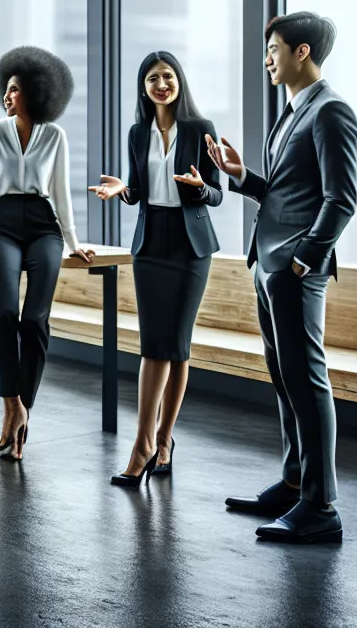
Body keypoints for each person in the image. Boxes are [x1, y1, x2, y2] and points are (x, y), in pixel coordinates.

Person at [206, 12, 357, 544]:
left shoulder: (331, 110)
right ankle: (295, 483)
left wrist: (304, 259)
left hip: (294, 268)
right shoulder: (294, 111)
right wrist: (242, 176)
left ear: (302, 52)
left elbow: (342, 199)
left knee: (307, 381)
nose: (267, 59)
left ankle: (320, 506)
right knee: (284, 377)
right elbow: (287, 192)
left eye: (273, 49)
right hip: (270, 264)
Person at [90, 51, 222, 487]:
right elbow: (139, 191)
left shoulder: (200, 129)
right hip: (149, 245)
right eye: (152, 78)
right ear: (143, 87)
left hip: (189, 245)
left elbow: (217, 193)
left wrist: (200, 188)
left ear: (178, 80)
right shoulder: (137, 132)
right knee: (153, 345)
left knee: (176, 345)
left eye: (167, 76)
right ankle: (147, 444)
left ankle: (159, 441)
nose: (161, 84)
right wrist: (123, 190)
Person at [0, 47, 97, 462]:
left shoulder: (55, 136)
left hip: (43, 227)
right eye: (6, 89)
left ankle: (24, 409)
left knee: (36, 319)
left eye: (15, 89)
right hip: (2, 224)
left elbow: (61, 192)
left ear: (35, 92)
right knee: (5, 315)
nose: (7, 95)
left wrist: (73, 242)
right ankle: (11, 407)